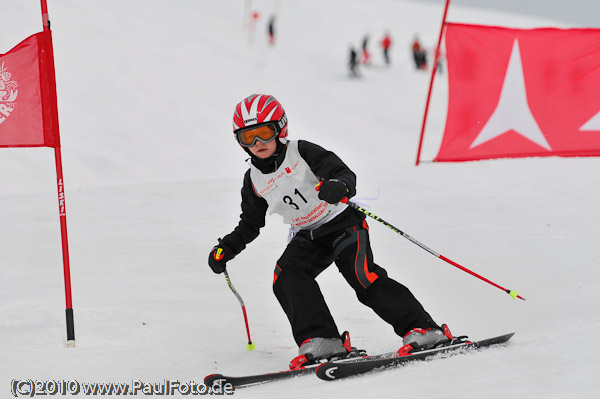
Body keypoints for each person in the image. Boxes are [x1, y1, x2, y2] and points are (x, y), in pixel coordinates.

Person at [208, 94, 451, 368]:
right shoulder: (253, 178)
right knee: (286, 276)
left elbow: (343, 174)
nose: (257, 144)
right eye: (247, 137)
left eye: (264, 133)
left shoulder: (302, 152)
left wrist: (339, 186)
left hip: (342, 223)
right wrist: (227, 247)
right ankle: (322, 340)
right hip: (308, 235)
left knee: (362, 275)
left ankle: (423, 329)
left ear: (280, 129)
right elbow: (251, 223)